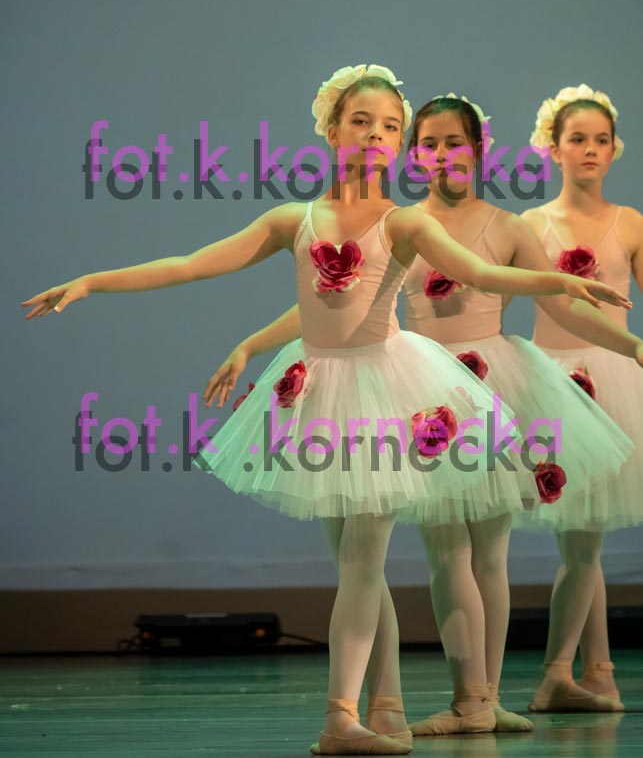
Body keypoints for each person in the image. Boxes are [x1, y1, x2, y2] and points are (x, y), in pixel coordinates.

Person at [22, 67, 632, 755]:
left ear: (400, 145)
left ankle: (342, 716)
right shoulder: (294, 220)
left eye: (389, 126)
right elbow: (193, 262)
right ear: (331, 129)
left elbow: (484, 274)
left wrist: (557, 279)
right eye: (361, 121)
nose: (375, 135)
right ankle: (387, 709)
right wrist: (93, 281)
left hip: (384, 395)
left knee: (366, 562)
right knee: (354, 567)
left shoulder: (404, 222)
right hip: (318, 395)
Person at [520, 84, 643, 713]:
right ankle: (586, 672)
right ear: (554, 147)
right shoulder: (530, 225)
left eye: (600, 140)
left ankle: (581, 672)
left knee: (584, 537)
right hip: (552, 382)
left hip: (615, 380)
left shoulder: (631, 223)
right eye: (577, 139)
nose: (590, 149)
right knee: (578, 538)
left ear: (614, 149)